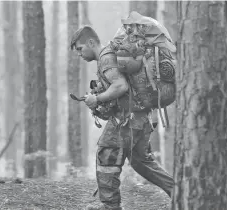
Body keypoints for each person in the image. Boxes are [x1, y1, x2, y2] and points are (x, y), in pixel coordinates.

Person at [70, 25, 174, 210]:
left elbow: (120, 86)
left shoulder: (105, 58)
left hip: (126, 120)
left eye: (80, 48)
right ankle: (180, 194)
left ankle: (110, 206)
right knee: (140, 161)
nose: (79, 54)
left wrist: (97, 99)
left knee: (106, 154)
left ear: (91, 42)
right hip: (141, 119)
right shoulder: (110, 56)